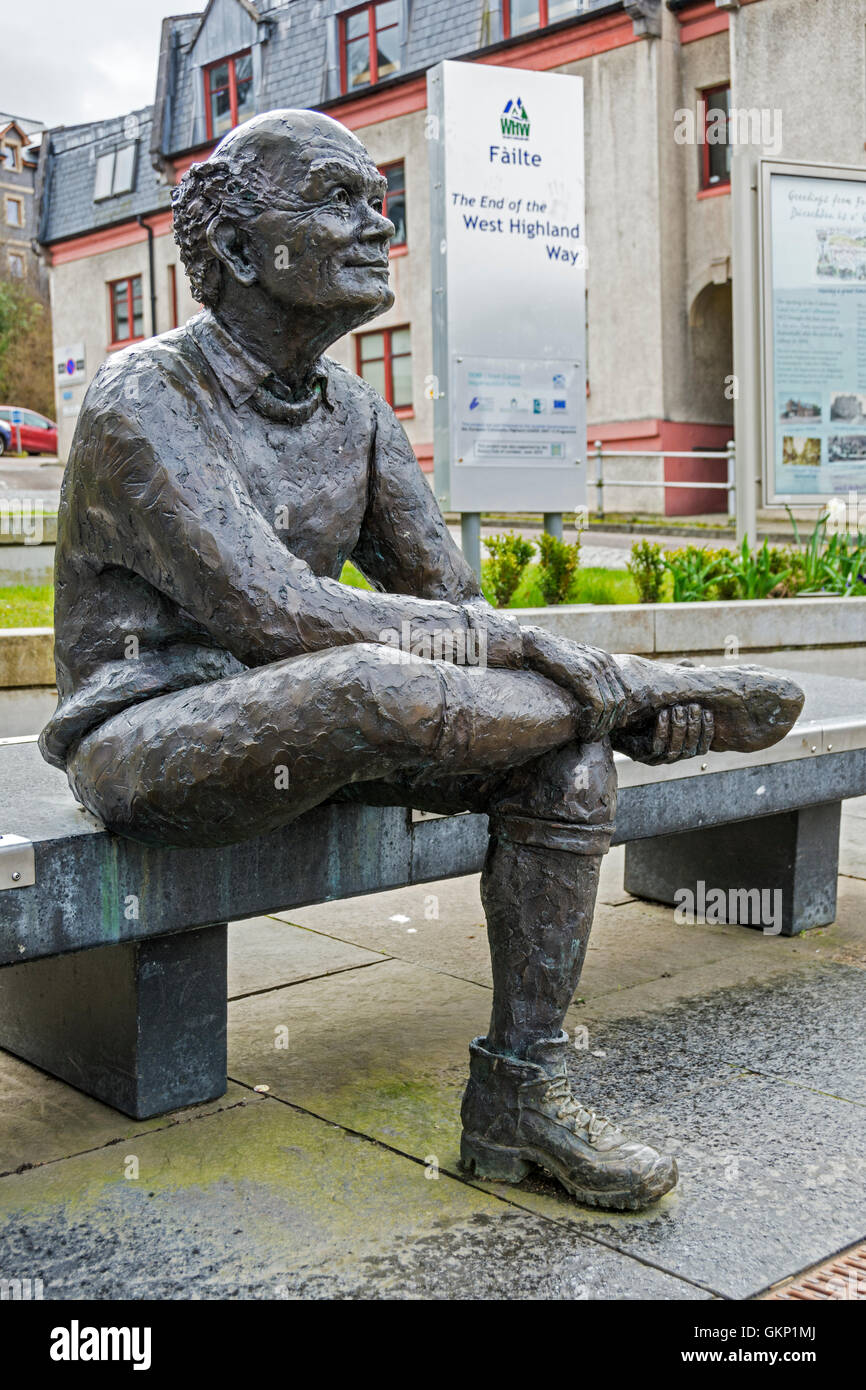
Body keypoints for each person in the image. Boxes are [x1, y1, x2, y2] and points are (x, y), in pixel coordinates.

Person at [41, 110, 803, 1210]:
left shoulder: (354, 411)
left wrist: (522, 659)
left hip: (323, 718)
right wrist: (585, 670)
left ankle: (518, 1101)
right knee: (374, 680)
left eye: (374, 197)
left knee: (562, 765)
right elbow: (284, 616)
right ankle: (636, 695)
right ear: (244, 246)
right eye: (335, 197)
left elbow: (453, 606)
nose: (375, 221)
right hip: (150, 733)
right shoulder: (141, 398)